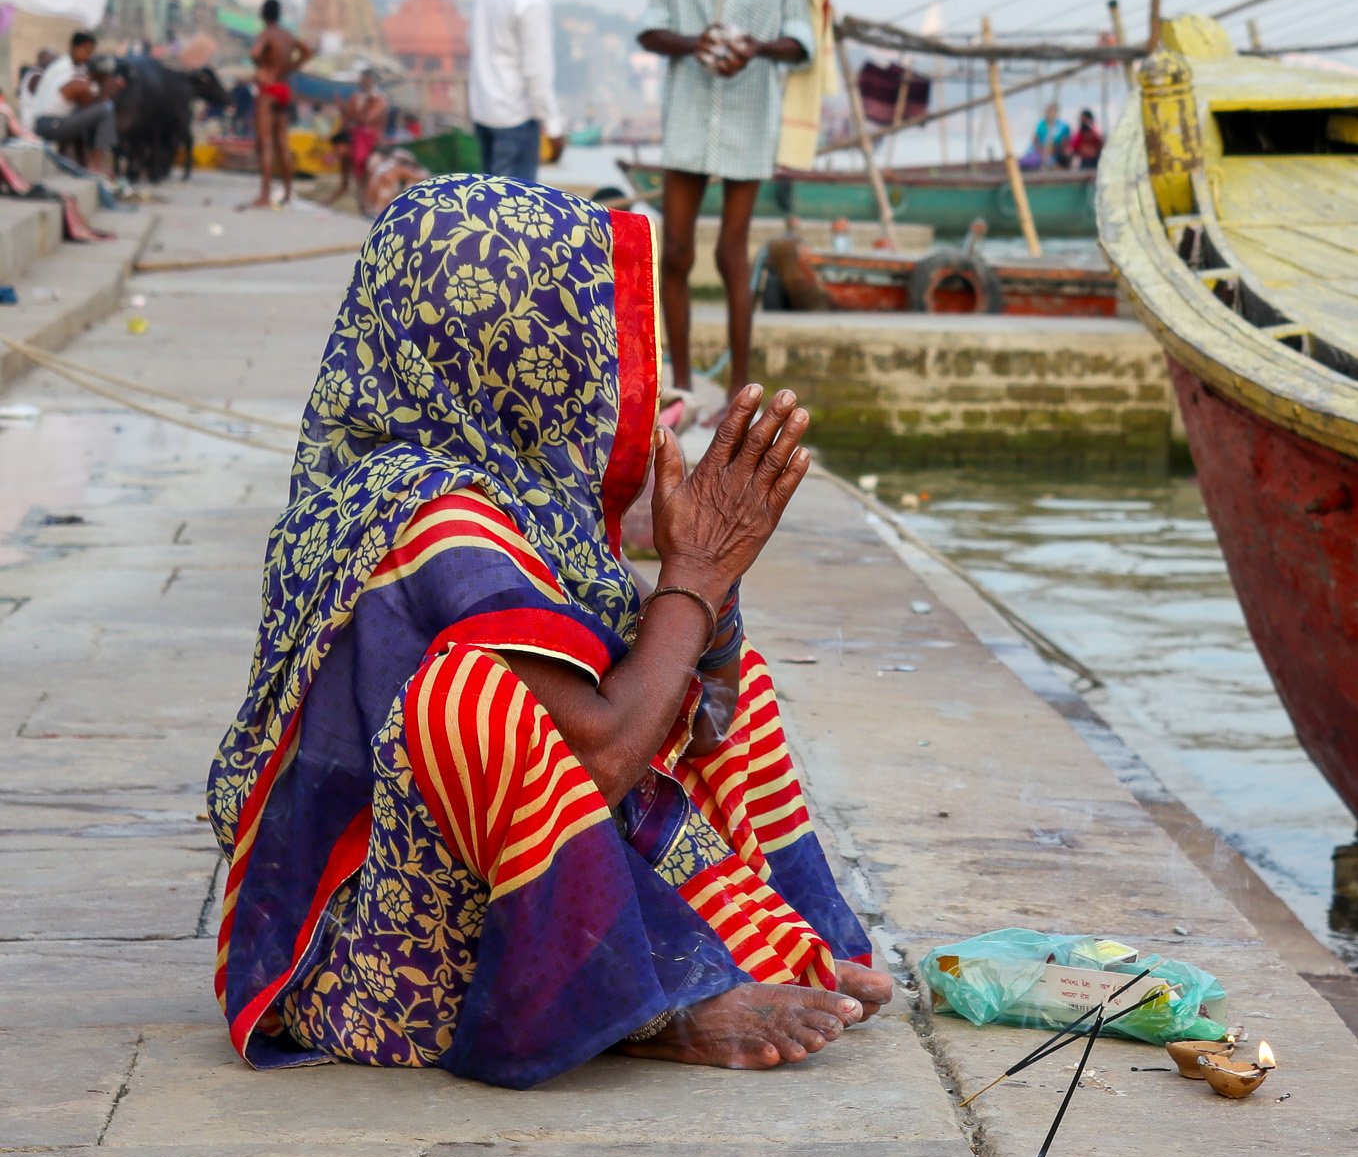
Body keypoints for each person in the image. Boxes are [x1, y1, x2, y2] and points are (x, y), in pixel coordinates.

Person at [207, 176, 893, 1087]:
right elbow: (604, 751)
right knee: (473, 705)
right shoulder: (430, 513)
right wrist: (695, 575)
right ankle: (640, 1003)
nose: (604, 369)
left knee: (719, 669)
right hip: (381, 961)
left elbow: (671, 700)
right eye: (584, 334)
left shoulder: (501, 484)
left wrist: (704, 588)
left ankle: (776, 935)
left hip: (475, 873)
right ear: (502, 346)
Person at [637, 0, 829, 423]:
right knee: (674, 251)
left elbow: (801, 40)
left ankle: (739, 391)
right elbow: (650, 29)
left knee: (731, 253)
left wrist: (757, 47)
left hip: (750, 116)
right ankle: (678, 385)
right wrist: (694, 42)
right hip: (688, 113)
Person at [470, 0, 567, 183]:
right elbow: (536, 71)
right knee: (514, 209)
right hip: (516, 117)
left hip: (483, 110)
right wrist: (554, 127)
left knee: (487, 200)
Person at [26, 32, 122, 178]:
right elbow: (89, 107)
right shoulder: (69, 74)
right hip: (48, 124)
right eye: (85, 51)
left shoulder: (71, 68)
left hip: (49, 121)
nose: (88, 56)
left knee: (83, 118)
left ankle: (81, 164)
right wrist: (109, 91)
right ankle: (95, 166)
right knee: (106, 109)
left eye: (91, 52)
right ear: (73, 47)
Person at [247, 0, 312, 210]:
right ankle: (287, 193)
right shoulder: (288, 36)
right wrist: (290, 67)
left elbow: (255, 53)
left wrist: (262, 69)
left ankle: (265, 196)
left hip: (268, 90)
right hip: (285, 90)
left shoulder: (267, 34)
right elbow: (308, 52)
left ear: (263, 15)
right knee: (282, 144)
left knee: (266, 143)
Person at [328, 70, 389, 208]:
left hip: (370, 139)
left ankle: (363, 198)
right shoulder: (357, 97)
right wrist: (343, 108)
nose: (362, 82)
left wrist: (352, 112)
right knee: (343, 147)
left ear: (371, 81)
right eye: (362, 79)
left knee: (358, 156)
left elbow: (367, 119)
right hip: (355, 135)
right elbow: (349, 116)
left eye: (365, 80)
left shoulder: (379, 99)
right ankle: (344, 188)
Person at [1029, 103, 1072, 171]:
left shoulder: (1063, 126)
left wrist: (1053, 150)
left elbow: (1066, 142)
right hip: (1041, 154)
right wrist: (1042, 151)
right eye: (1049, 111)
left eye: (1052, 111)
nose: (1050, 113)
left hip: (1056, 154)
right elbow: (1036, 140)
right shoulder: (1041, 125)